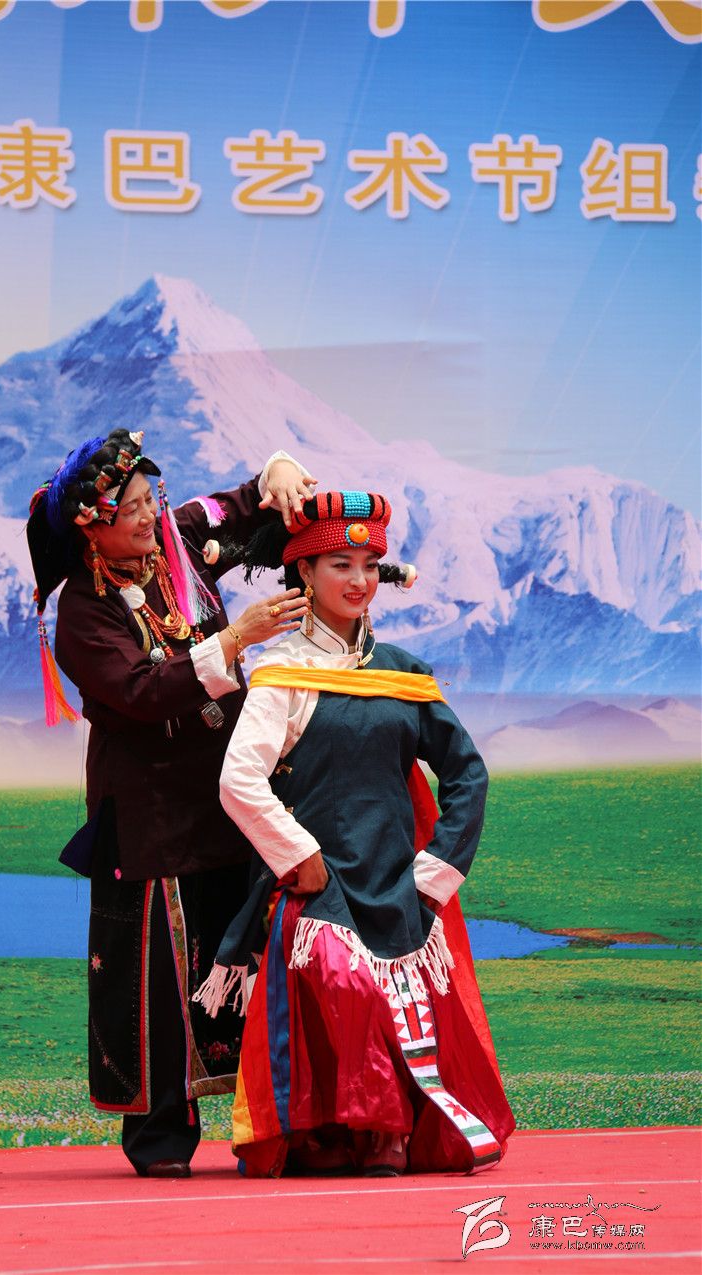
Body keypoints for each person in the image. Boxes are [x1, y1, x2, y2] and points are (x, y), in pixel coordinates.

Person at [194, 490, 515, 1178]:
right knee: (347, 982)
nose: (359, 580)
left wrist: (433, 874)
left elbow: (468, 774)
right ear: (305, 574)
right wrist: (298, 856)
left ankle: (387, 1131)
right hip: (321, 880)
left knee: (398, 985)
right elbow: (239, 780)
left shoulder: (404, 673)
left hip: (398, 875)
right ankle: (343, 1124)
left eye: (369, 566)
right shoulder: (281, 670)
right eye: (341, 565)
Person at [26, 428, 314, 1177]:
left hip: (228, 796)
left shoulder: (177, 542)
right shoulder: (82, 613)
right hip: (149, 814)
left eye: (151, 499)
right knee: (156, 975)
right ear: (91, 527)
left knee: (245, 951)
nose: (150, 516)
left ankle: (272, 1118)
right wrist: (235, 639)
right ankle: (159, 1137)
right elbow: (143, 692)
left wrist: (278, 467)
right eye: (131, 510)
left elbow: (241, 505)